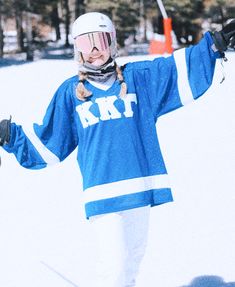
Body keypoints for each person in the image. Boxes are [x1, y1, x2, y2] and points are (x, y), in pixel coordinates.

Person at [0, 12, 235, 287]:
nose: (95, 51)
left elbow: (174, 70)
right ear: (77, 50)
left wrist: (213, 45)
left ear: (112, 43)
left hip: (140, 187)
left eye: (100, 41)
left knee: (131, 263)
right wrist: (10, 135)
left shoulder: (139, 79)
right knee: (114, 268)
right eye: (86, 45)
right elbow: (50, 142)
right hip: (103, 194)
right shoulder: (70, 93)